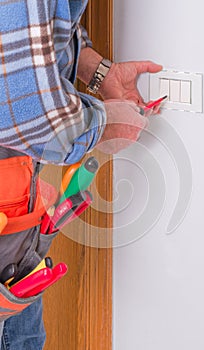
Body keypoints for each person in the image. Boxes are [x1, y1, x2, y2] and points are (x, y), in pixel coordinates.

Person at [0, 0, 162, 348]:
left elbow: (31, 32)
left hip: (15, 250)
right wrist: (103, 124)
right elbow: (28, 114)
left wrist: (97, 71)